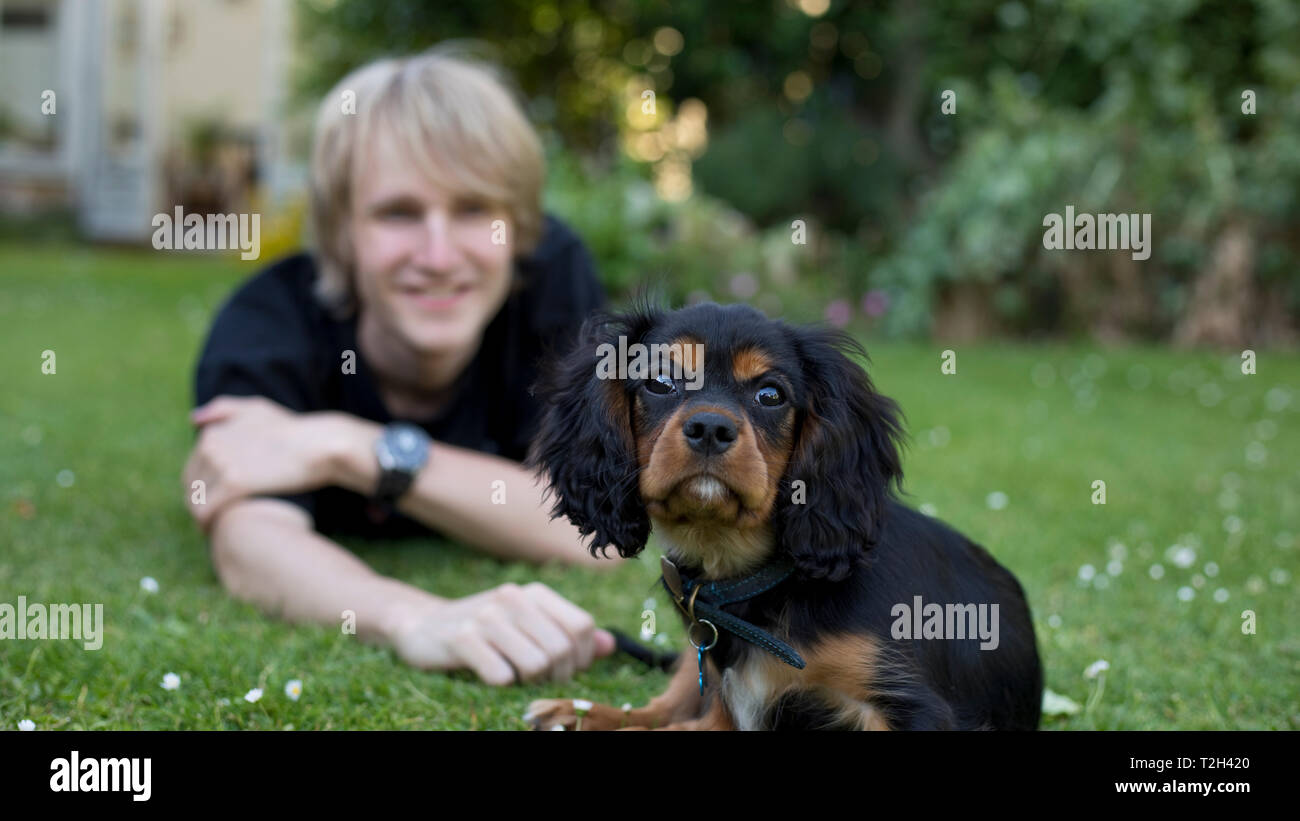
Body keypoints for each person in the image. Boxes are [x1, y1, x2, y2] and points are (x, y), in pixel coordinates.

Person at [182, 48, 619, 686]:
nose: (439, 257)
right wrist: (412, 618)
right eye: (398, 214)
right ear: (342, 233)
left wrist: (346, 446)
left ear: (519, 227)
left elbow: (590, 526)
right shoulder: (268, 324)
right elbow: (248, 537)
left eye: (474, 210)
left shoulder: (552, 287)